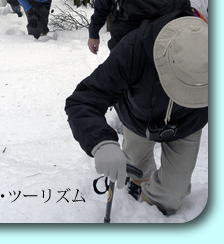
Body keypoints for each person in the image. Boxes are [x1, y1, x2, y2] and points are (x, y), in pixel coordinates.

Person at [65, 12, 208, 216]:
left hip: (189, 123)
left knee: (171, 195)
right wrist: (101, 142)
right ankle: (140, 185)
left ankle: (153, 205)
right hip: (138, 118)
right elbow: (83, 99)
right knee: (136, 168)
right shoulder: (133, 50)